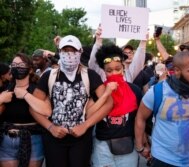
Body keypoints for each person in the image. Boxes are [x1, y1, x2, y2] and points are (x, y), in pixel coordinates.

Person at [30, 35, 113, 167]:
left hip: (81, 139)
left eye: (73, 51)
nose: (69, 54)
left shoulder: (90, 75)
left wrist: (85, 125)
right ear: (59, 52)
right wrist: (50, 127)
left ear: (80, 52)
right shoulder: (49, 76)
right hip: (54, 139)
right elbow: (33, 107)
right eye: (65, 50)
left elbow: (109, 103)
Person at [91, 44, 142, 167]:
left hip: (127, 147)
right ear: (104, 71)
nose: (114, 73)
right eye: (109, 70)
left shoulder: (134, 90)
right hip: (102, 147)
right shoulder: (98, 90)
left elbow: (140, 119)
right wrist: (105, 94)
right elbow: (89, 114)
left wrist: (142, 144)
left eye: (117, 69)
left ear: (123, 68)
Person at [0, 53, 52, 167]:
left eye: (21, 64)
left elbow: (47, 111)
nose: (17, 67)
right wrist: (1, 98)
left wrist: (25, 95)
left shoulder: (38, 89)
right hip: (7, 140)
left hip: (33, 139)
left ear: (30, 69)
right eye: (13, 64)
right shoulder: (5, 88)